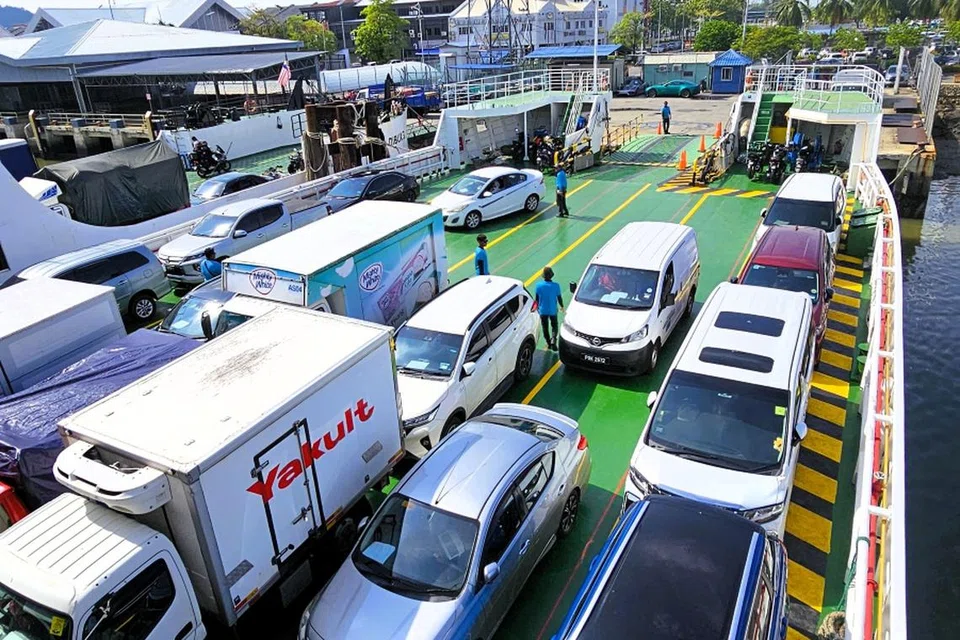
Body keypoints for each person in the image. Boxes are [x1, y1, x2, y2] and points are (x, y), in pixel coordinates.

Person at [535, 267, 564, 350]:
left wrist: (536, 308)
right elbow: (559, 298)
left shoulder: (538, 286)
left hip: (542, 310)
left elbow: (537, 299)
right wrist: (562, 306)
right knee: (554, 325)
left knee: (545, 327)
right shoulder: (556, 286)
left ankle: (548, 342)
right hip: (552, 310)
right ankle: (553, 339)